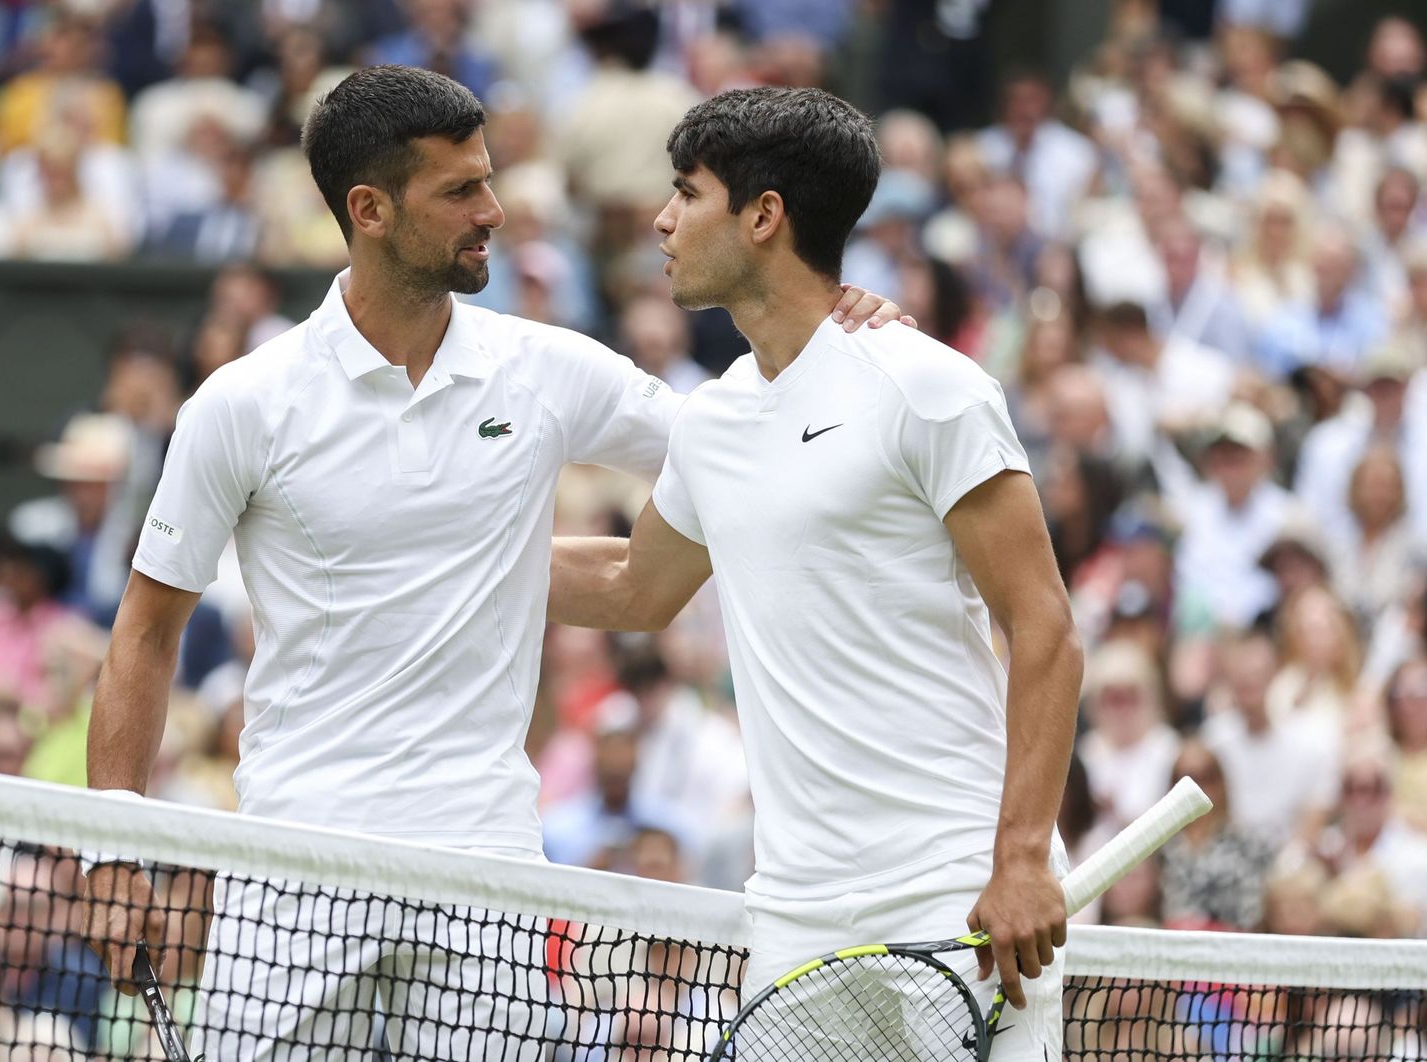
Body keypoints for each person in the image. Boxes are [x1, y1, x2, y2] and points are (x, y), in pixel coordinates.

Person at [80, 66, 903, 1060]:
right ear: (369, 210)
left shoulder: (543, 369)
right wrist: (112, 855)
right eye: (459, 191)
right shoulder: (242, 405)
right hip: (295, 857)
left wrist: (835, 341)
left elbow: (740, 448)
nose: (494, 211)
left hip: (486, 863)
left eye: (489, 179)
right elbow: (144, 632)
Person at [549, 86, 1082, 1058]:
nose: (662, 220)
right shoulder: (712, 422)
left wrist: (1016, 860)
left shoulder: (927, 387)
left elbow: (1043, 624)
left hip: (951, 889)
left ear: (762, 216)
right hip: (794, 914)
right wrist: (436, 551)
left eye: (687, 193)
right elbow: (635, 583)